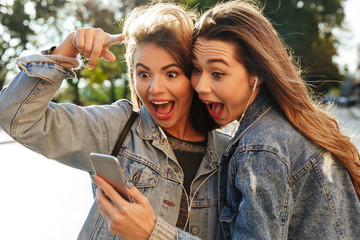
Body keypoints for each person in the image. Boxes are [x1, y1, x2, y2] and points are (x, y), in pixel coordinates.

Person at [0, 2, 229, 240]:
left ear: (194, 76)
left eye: (171, 74)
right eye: (143, 74)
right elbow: (17, 117)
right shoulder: (118, 128)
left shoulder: (228, 154)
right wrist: (67, 49)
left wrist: (152, 233)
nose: (154, 88)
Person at [190, 0, 360, 239]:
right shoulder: (295, 126)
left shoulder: (261, 148)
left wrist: (154, 232)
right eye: (196, 69)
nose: (200, 86)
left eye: (217, 73)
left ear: (256, 74)